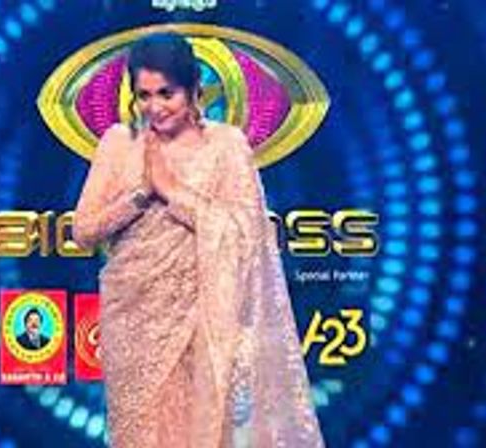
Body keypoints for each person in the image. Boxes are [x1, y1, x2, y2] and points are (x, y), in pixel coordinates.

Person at [72, 32, 325, 447]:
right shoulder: (119, 143)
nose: (154, 107)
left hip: (202, 321)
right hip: (133, 322)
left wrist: (173, 192)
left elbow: (245, 233)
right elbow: (83, 231)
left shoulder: (226, 146)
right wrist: (141, 196)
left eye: (166, 93)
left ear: (193, 90)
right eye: (143, 95)